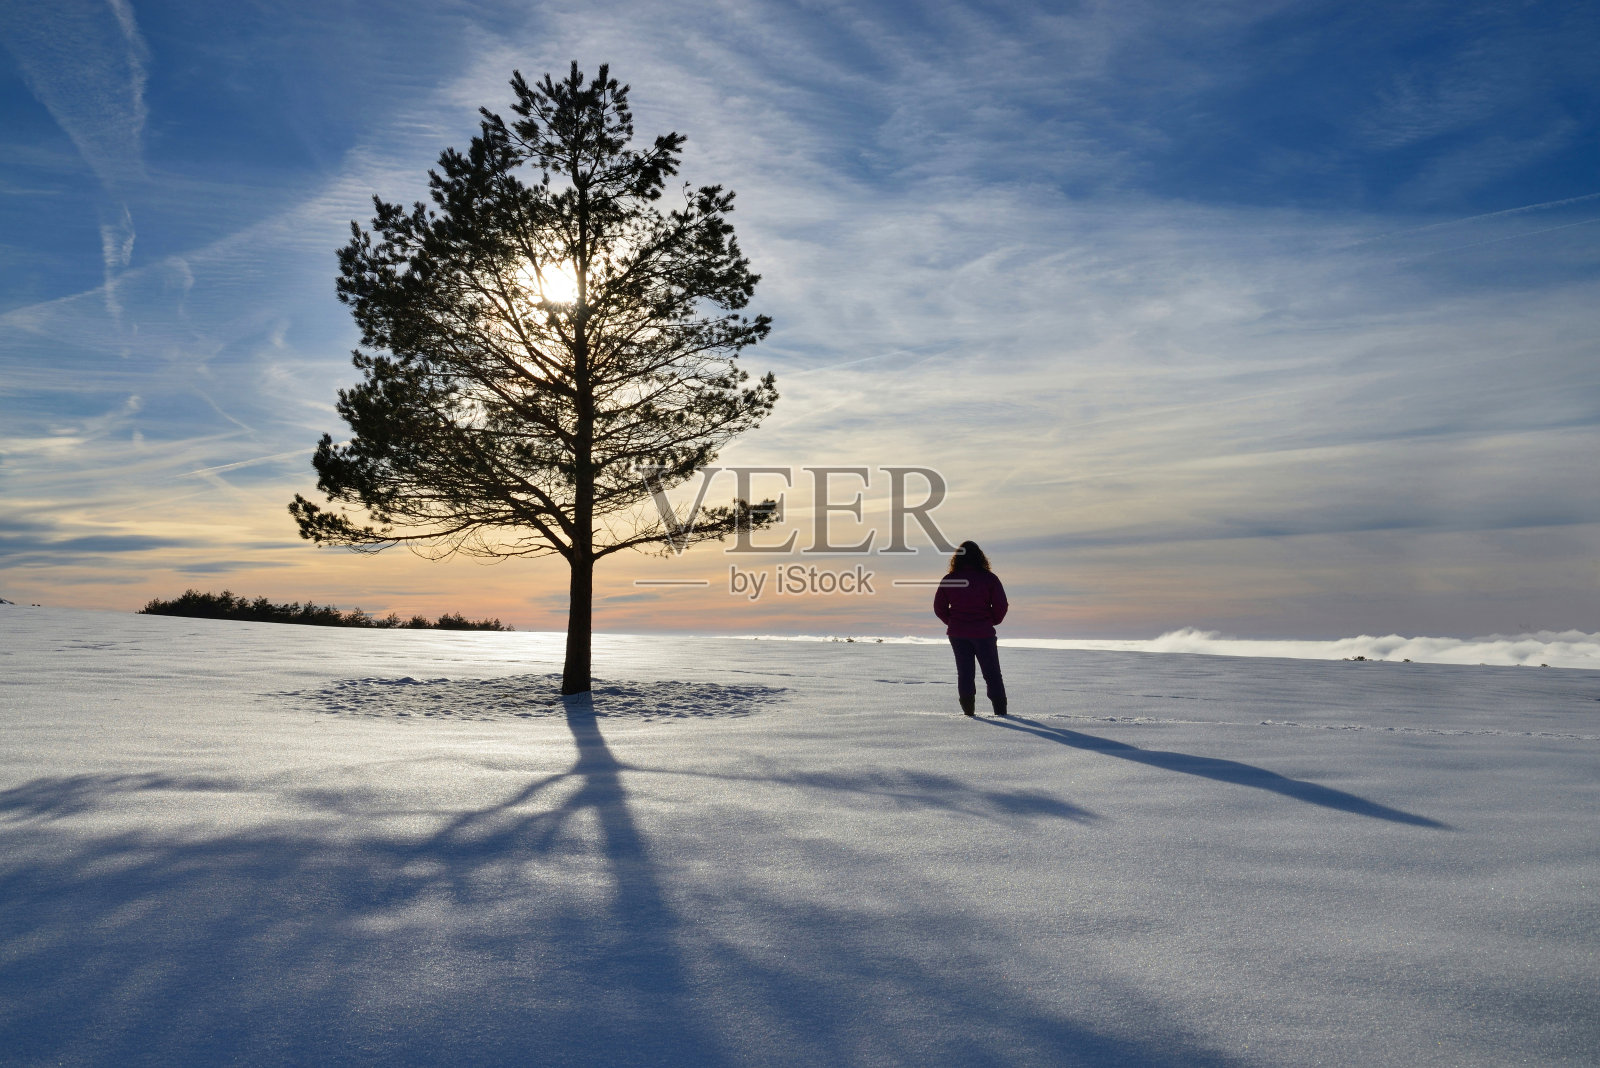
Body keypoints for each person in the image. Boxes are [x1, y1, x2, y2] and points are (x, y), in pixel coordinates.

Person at [933, 540, 1008, 716]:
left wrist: (953, 622)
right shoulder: (989, 579)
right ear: (980, 557)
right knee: (992, 674)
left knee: (965, 674)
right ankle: (1001, 713)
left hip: (958, 633)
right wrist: (992, 621)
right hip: (983, 632)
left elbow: (939, 608)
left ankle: (969, 713)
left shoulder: (950, 579)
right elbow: (1001, 605)